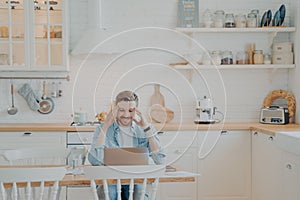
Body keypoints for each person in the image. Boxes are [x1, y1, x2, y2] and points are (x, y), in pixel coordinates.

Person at [88, 90, 166, 200]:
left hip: (136, 179)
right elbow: (94, 160)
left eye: (130, 110)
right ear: (115, 109)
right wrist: (105, 126)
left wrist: (147, 129)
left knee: (140, 195)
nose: (126, 115)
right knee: (109, 193)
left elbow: (160, 160)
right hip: (111, 179)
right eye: (121, 110)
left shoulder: (145, 128)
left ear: (137, 110)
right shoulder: (103, 128)